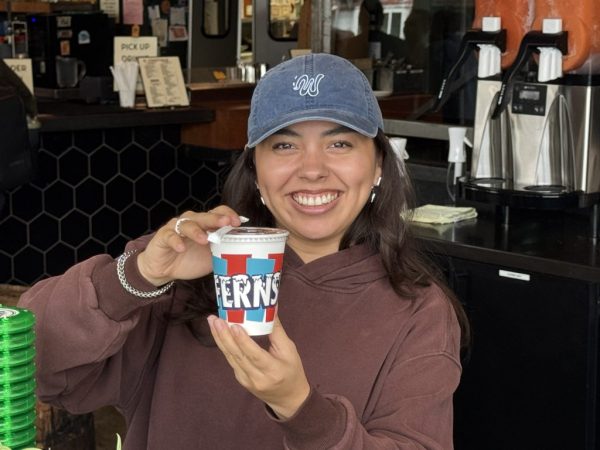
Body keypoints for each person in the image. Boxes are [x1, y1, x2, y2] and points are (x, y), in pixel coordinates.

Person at [19, 53, 469, 449]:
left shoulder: (418, 312)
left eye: (339, 143)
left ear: (378, 167)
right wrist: (138, 277)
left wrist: (301, 409)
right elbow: (30, 367)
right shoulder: (183, 269)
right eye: (285, 145)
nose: (312, 169)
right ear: (255, 172)